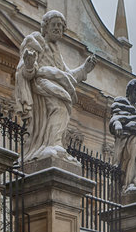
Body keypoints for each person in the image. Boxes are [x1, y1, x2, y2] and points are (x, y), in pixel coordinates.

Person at [15, 10, 97, 161]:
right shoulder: (36, 41)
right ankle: (52, 144)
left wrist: (84, 68)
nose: (57, 28)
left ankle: (52, 143)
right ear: (45, 27)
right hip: (42, 84)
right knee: (58, 108)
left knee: (61, 108)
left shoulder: (56, 51)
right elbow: (25, 72)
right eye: (54, 24)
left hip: (55, 87)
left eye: (60, 26)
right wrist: (29, 63)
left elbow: (67, 75)